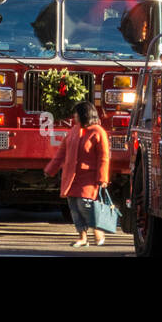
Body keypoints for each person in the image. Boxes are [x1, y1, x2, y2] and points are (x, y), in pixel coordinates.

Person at [44, 100, 111, 248]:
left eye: (76, 113)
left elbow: (104, 157)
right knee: (74, 208)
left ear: (84, 114)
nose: (74, 116)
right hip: (71, 177)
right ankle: (82, 237)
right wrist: (50, 170)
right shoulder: (73, 131)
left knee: (85, 205)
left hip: (89, 178)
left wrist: (102, 178)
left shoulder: (98, 132)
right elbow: (61, 153)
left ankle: (97, 228)